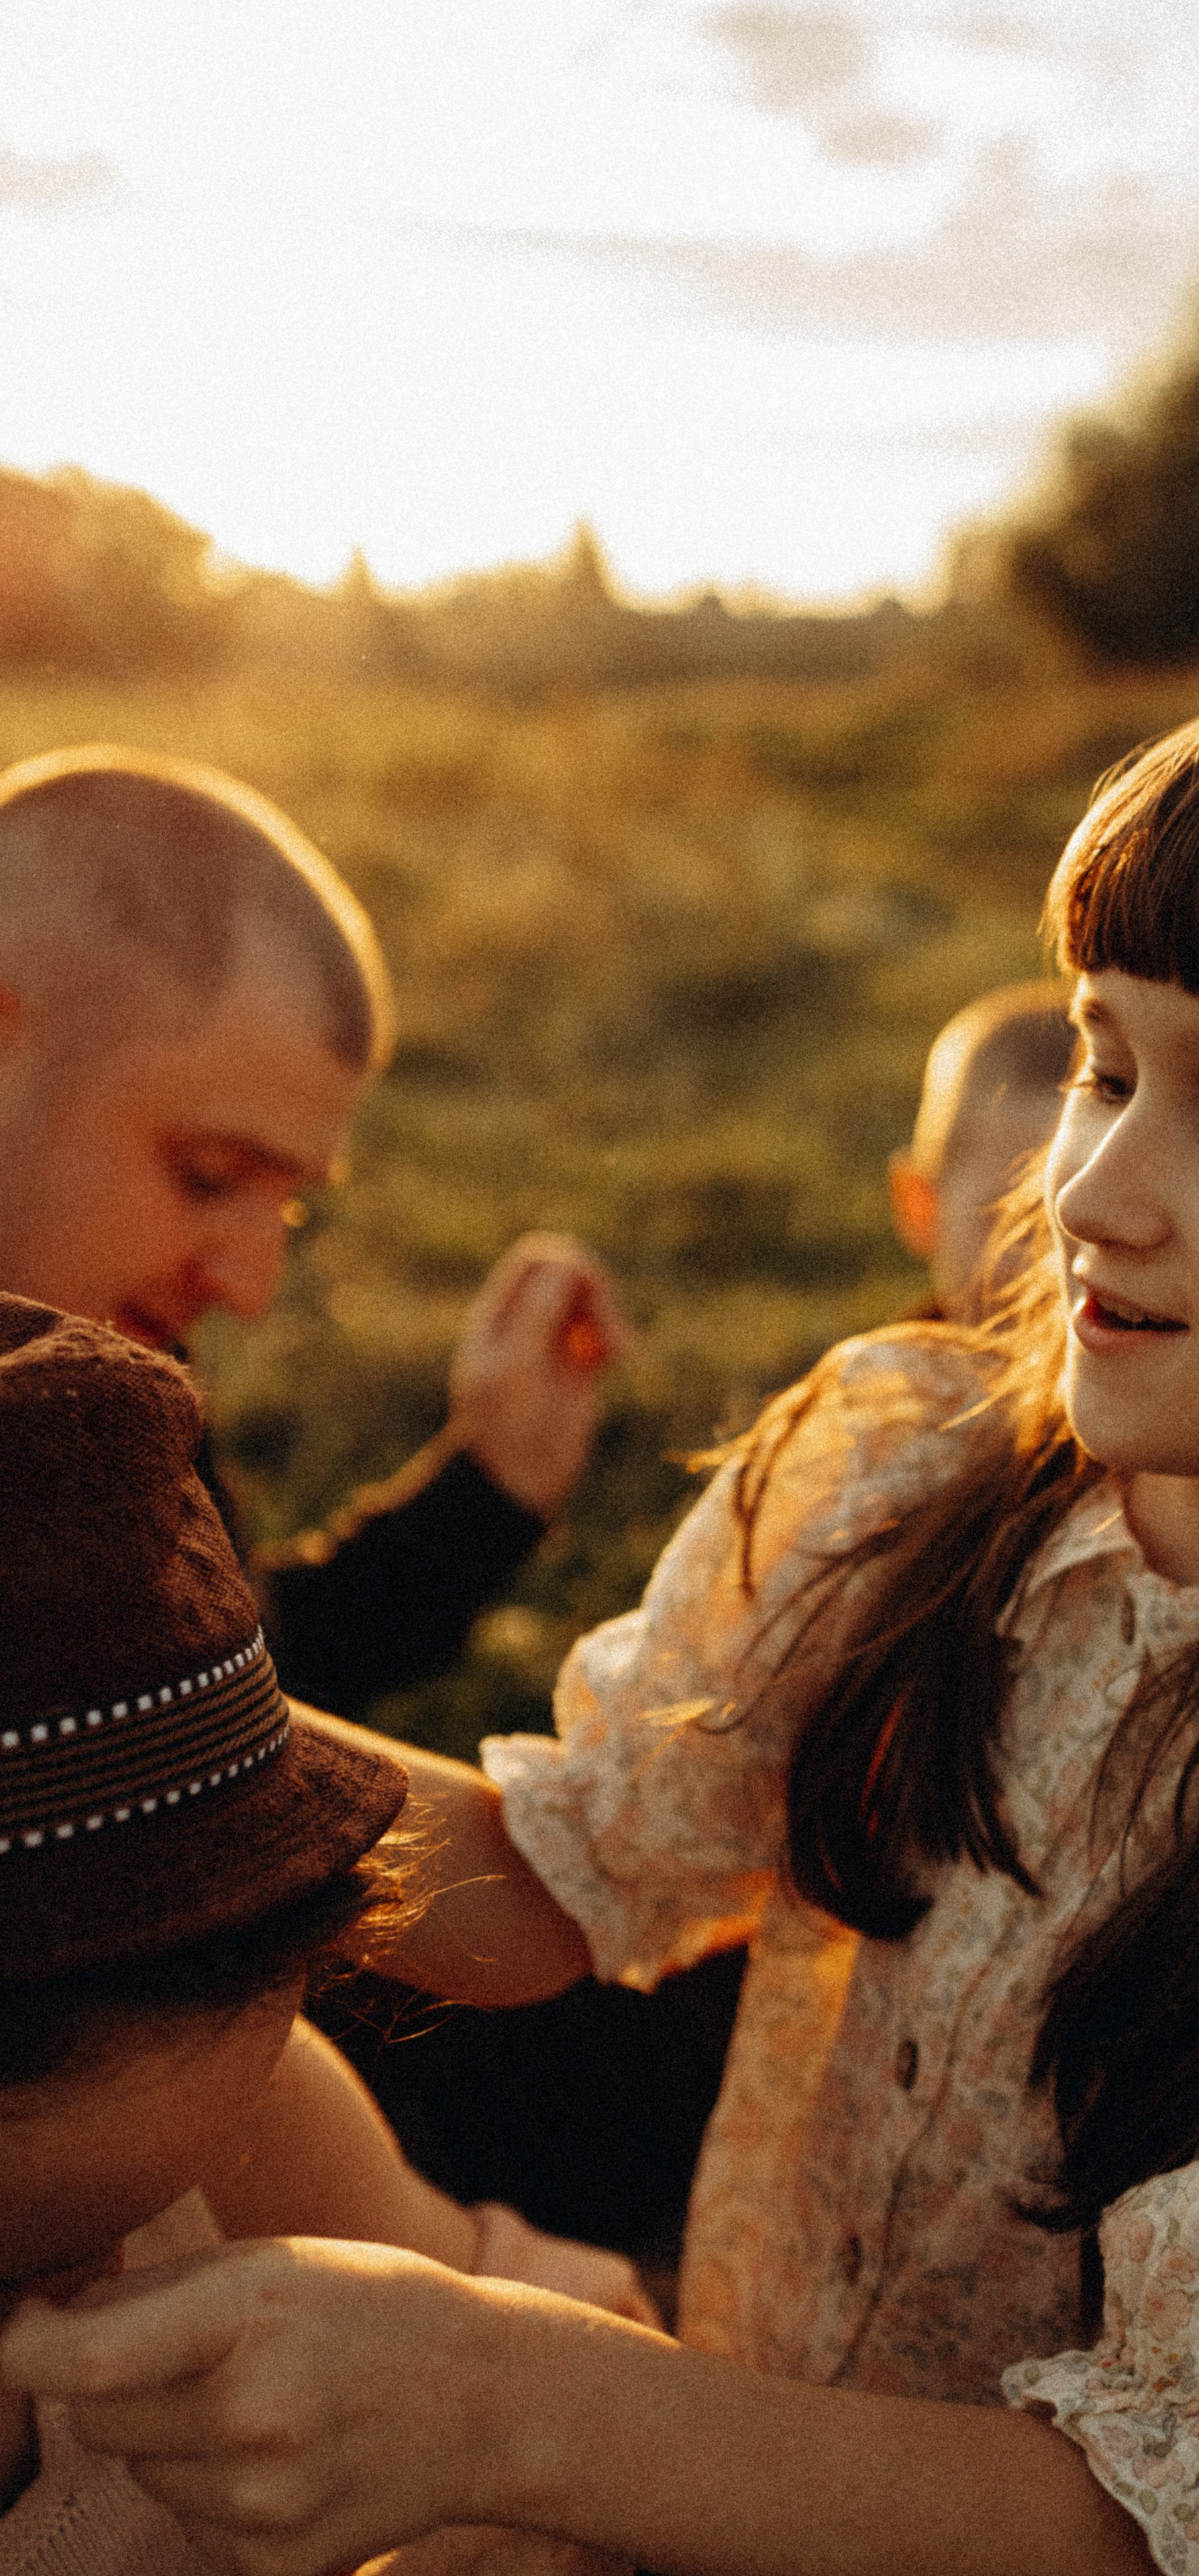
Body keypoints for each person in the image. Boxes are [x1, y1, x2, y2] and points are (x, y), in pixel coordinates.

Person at [17, 602, 1199, 2576]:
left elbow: (1164, 2520)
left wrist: (513, 2402)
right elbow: (551, 1888)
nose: (1089, 1189)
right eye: (1101, 1065)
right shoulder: (907, 1483)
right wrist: (107, 1752)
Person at [0, 743, 662, 2306]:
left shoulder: (82, 1386)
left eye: (285, 1204)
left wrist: (483, 1496)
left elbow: (207, 1675)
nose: (251, 1279)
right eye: (208, 1175)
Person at [887, 980, 1073, 1319]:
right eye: (1017, 1225)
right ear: (921, 1205)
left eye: (1080, 1228)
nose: (1052, 1263)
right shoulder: (884, 1357)